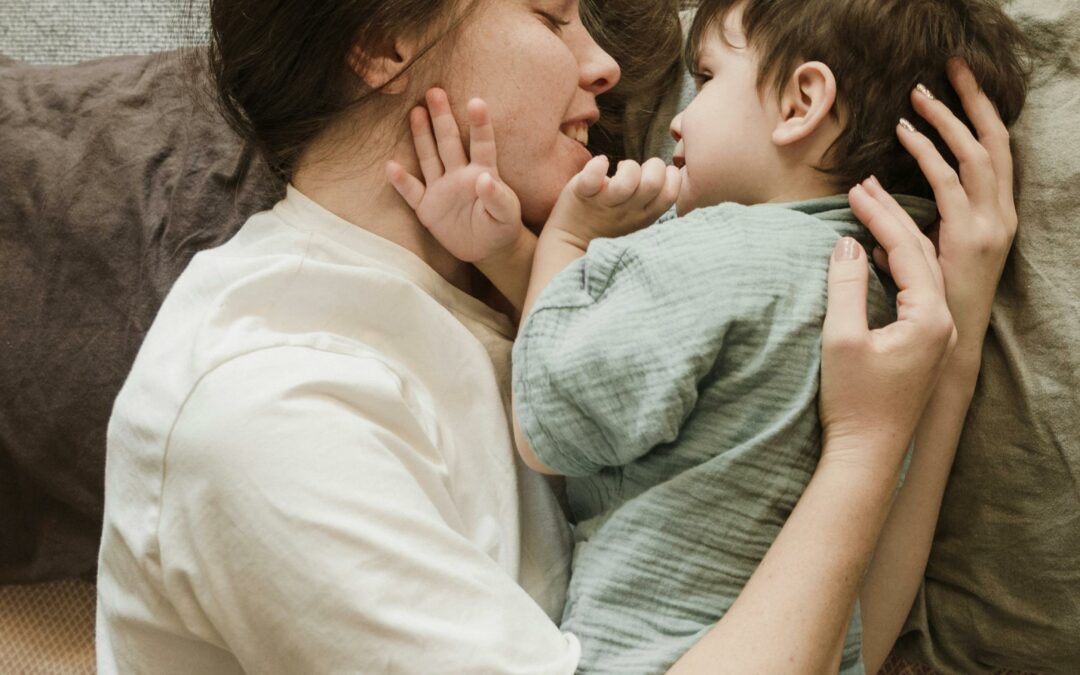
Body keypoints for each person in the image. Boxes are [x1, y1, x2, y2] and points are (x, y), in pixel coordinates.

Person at [93, 1, 1011, 673]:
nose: (607, 67)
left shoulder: (508, 288)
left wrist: (951, 342)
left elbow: (822, 636)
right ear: (385, 42)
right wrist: (862, 444)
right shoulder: (269, 408)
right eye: (552, 16)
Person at [388, 1, 1027, 673]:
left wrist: (566, 238)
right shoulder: (886, 310)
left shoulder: (712, 250)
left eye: (708, 77)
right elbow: (855, 634)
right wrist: (508, 251)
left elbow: (550, 417)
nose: (676, 119)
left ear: (802, 101)